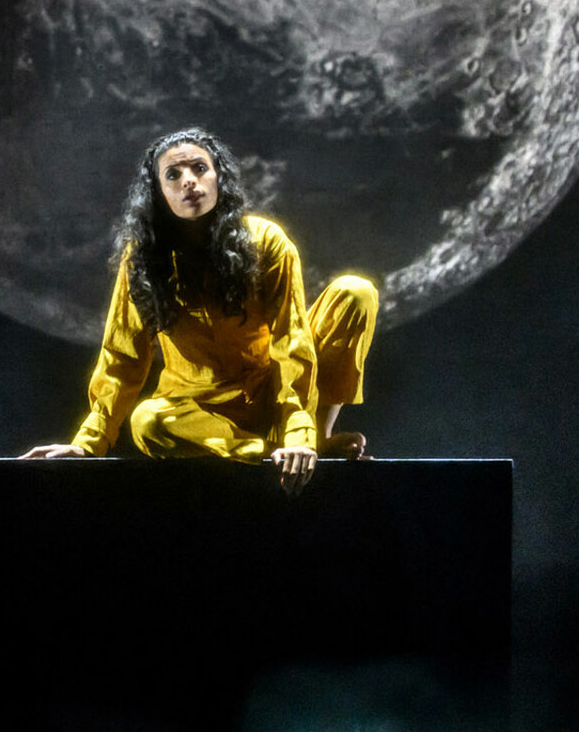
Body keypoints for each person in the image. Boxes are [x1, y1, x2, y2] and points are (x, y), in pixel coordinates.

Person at [22, 127, 377, 494]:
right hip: (202, 419)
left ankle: (311, 440)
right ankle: (280, 455)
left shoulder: (266, 241)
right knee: (147, 421)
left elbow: (292, 340)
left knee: (355, 292)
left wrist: (300, 430)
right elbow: (121, 357)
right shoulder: (142, 259)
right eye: (173, 175)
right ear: (159, 194)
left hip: (274, 399)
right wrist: (88, 443)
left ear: (218, 177)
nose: (188, 181)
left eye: (199, 168)